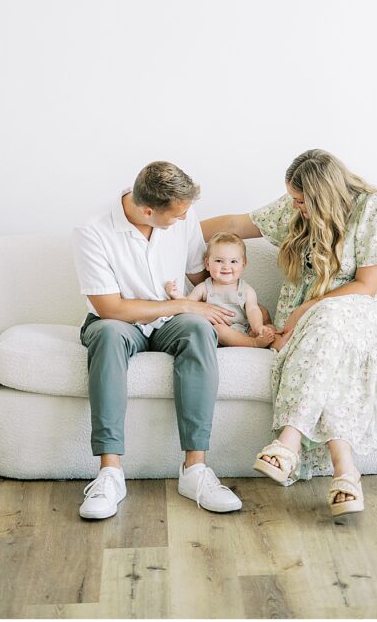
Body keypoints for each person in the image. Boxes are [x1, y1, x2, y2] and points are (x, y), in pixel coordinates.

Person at [201, 148, 377, 518]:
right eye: (293, 200)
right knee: (330, 353)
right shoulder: (295, 208)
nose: (295, 208)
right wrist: (171, 232)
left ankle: (289, 440)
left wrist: (302, 311)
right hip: (314, 324)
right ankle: (346, 475)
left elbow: (367, 286)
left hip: (367, 313)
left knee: (327, 321)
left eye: (301, 201)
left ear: (323, 196)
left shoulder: (374, 208)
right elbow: (235, 222)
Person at [73, 161, 243, 520]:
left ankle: (195, 470)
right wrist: (180, 303)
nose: (183, 220)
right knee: (106, 334)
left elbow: (200, 274)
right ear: (148, 210)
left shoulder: (184, 215)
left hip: (172, 322)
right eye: (176, 216)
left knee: (198, 329)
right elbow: (110, 308)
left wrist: (240, 310)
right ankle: (110, 473)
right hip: (119, 321)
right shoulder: (93, 230)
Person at [165, 232, 277, 348]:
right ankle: (252, 343)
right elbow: (188, 304)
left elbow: (253, 310)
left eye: (233, 261)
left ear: (243, 264)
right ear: (207, 264)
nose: (226, 266)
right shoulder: (204, 287)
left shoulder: (246, 290)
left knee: (267, 326)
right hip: (217, 332)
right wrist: (176, 295)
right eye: (219, 261)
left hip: (243, 329)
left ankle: (255, 337)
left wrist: (258, 327)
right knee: (219, 329)